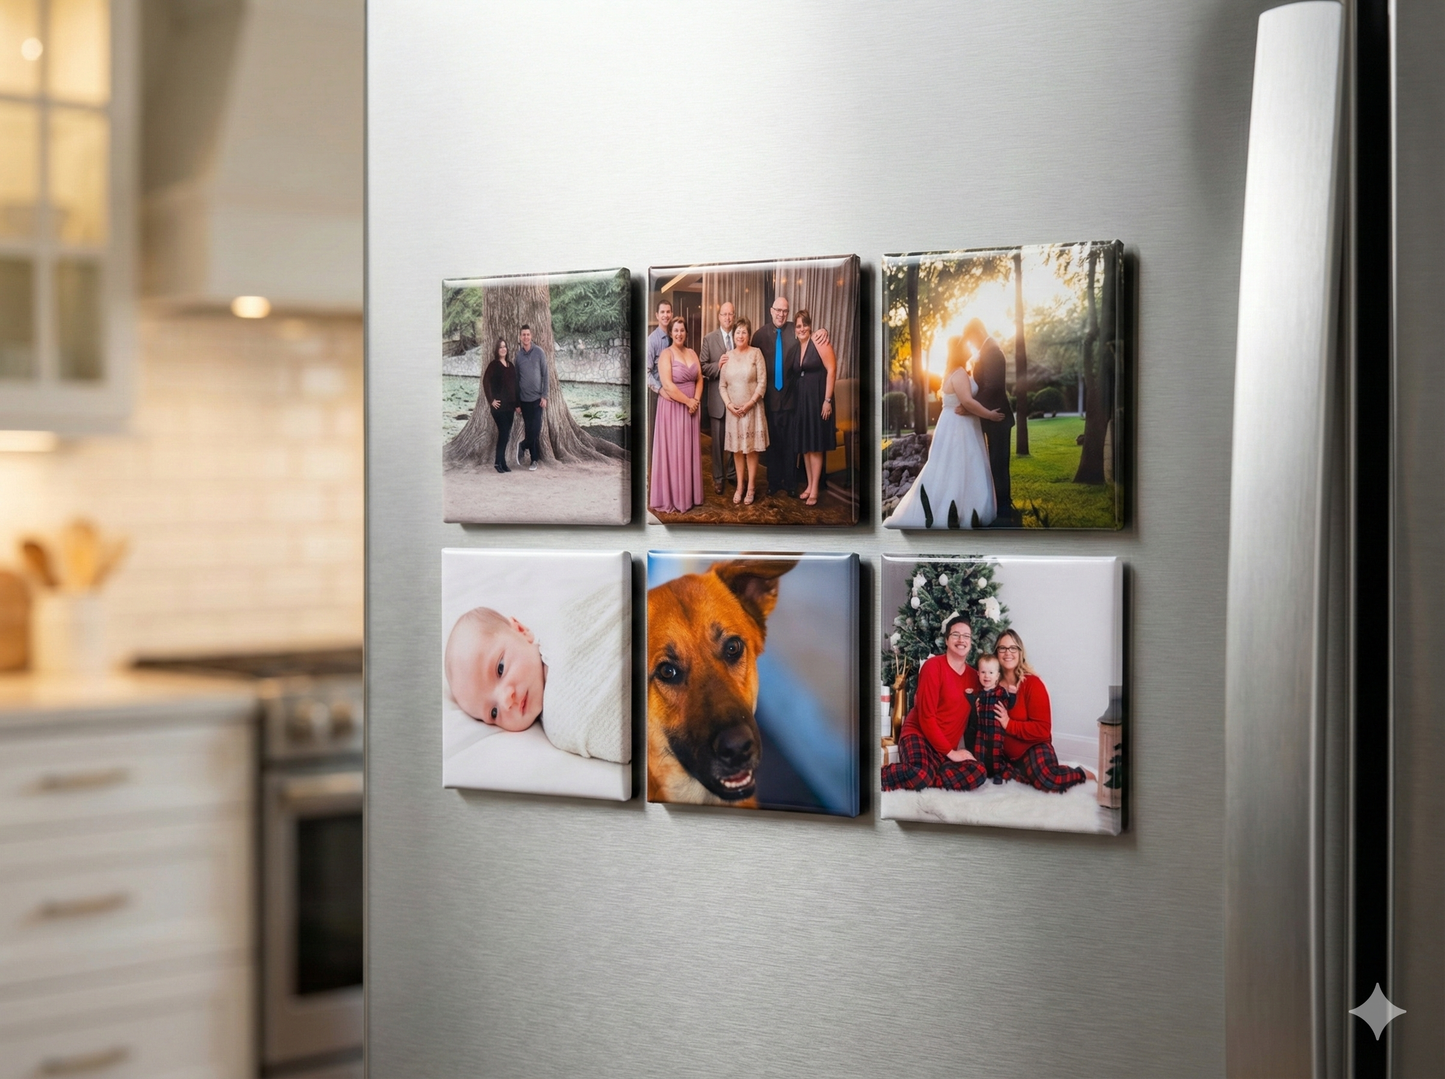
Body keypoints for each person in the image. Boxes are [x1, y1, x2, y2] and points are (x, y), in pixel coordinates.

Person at [444, 592, 629, 764]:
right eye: (494, 712)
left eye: (500, 669)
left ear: (520, 630)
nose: (506, 700)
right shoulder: (559, 730)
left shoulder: (561, 622)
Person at [884, 334, 1002, 529]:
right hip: (960, 427)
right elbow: (967, 401)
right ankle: (964, 512)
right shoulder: (960, 374)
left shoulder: (952, 372)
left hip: (951, 424)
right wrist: (989, 415)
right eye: (965, 347)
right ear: (959, 351)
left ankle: (954, 509)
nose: (969, 349)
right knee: (962, 466)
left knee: (951, 467)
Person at [880, 614, 987, 791]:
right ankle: (876, 775)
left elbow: (994, 690)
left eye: (966, 636)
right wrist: (951, 753)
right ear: (946, 640)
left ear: (971, 641)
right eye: (955, 635)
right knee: (920, 775)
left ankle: (929, 778)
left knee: (979, 771)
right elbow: (926, 718)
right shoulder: (933, 667)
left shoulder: (975, 677)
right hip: (919, 736)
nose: (961, 640)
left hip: (945, 748)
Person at [990, 628, 1091, 792]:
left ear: (1020, 652)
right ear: (996, 653)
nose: (1008, 652)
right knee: (996, 775)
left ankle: (1081, 773)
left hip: (1033, 746)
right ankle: (1024, 772)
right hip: (1006, 754)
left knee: (1047, 781)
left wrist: (1009, 724)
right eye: (1002, 648)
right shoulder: (991, 684)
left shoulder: (1032, 684)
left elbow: (1043, 730)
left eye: (1013, 648)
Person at [648, 317, 704, 514]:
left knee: (688, 449)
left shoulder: (692, 352)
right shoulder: (666, 354)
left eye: (682, 330)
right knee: (675, 449)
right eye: (676, 330)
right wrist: (688, 401)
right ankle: (676, 497)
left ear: (686, 333)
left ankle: (690, 495)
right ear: (671, 333)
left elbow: (699, 379)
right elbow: (668, 385)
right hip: (674, 407)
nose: (679, 334)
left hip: (692, 408)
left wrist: (696, 400)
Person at [963, 318, 1016, 524]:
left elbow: (993, 386)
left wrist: (970, 406)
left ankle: (1004, 509)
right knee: (993, 464)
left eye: (971, 339)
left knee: (999, 464)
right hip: (989, 416)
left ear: (978, 332)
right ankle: (998, 504)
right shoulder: (986, 350)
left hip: (998, 418)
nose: (971, 344)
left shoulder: (992, 352)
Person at [751, 296, 800, 498]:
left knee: (790, 445)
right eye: (778, 310)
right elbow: (752, 364)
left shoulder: (795, 330)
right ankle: (773, 482)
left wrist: (822, 331)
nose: (781, 314)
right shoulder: (759, 335)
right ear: (771, 311)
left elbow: (811, 338)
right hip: (769, 400)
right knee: (772, 445)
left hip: (791, 399)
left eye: (785, 311)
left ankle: (790, 483)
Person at [718, 317, 767, 505]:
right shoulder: (727, 356)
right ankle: (740, 486)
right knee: (737, 450)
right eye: (737, 332)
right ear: (734, 335)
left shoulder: (756, 353)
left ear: (749, 335)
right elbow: (722, 386)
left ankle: (751, 487)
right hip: (734, 413)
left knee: (751, 450)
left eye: (744, 332)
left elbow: (762, 382)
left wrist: (750, 403)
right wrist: (729, 405)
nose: (740, 335)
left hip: (752, 411)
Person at [792, 309, 836, 506]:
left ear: (810, 326)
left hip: (818, 399)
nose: (802, 329)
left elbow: (832, 369)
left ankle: (815, 489)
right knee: (806, 446)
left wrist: (827, 400)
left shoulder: (819, 341)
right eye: (798, 326)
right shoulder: (798, 346)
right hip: (802, 401)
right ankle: (809, 485)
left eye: (805, 325)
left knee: (815, 446)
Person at [699, 301, 739, 494]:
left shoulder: (740, 336)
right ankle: (718, 478)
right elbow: (702, 366)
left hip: (737, 398)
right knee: (717, 442)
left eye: (730, 314)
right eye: (724, 314)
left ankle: (732, 474)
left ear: (734, 316)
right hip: (717, 400)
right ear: (719, 316)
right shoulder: (709, 339)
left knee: (734, 439)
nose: (728, 318)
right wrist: (718, 365)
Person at [970, 652, 1012, 784]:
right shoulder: (979, 693)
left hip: (996, 730)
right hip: (981, 730)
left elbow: (1011, 706)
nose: (986, 676)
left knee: (996, 753)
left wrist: (1013, 696)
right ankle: (982, 771)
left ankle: (998, 772)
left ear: (997, 676)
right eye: (983, 672)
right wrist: (970, 698)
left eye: (991, 673)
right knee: (979, 752)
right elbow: (974, 710)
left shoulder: (1001, 692)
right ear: (978, 674)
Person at [481, 336, 519, 474]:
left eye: (504, 347)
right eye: (500, 347)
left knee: (506, 434)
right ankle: (498, 462)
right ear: (497, 350)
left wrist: (517, 404)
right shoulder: (493, 365)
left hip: (510, 407)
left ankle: (503, 462)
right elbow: (486, 382)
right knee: (503, 433)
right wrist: (491, 400)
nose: (503, 349)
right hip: (498, 408)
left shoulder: (511, 366)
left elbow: (515, 387)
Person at [513, 324, 548, 472]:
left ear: (531, 336)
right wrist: (517, 402)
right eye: (523, 335)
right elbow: (516, 380)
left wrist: (544, 396)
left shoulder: (539, 352)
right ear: (520, 337)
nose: (526, 337)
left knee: (536, 428)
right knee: (529, 429)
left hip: (537, 399)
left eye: (528, 334)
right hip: (524, 400)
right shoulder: (518, 356)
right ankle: (534, 460)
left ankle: (523, 445)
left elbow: (545, 374)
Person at [645, 299, 673, 451]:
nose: (665, 315)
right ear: (657, 315)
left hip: (673, 394)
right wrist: (661, 390)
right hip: (657, 395)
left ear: (672, 314)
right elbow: (646, 373)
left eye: (668, 312)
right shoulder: (652, 340)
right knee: (656, 437)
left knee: (671, 435)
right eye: (662, 312)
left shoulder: (675, 336)